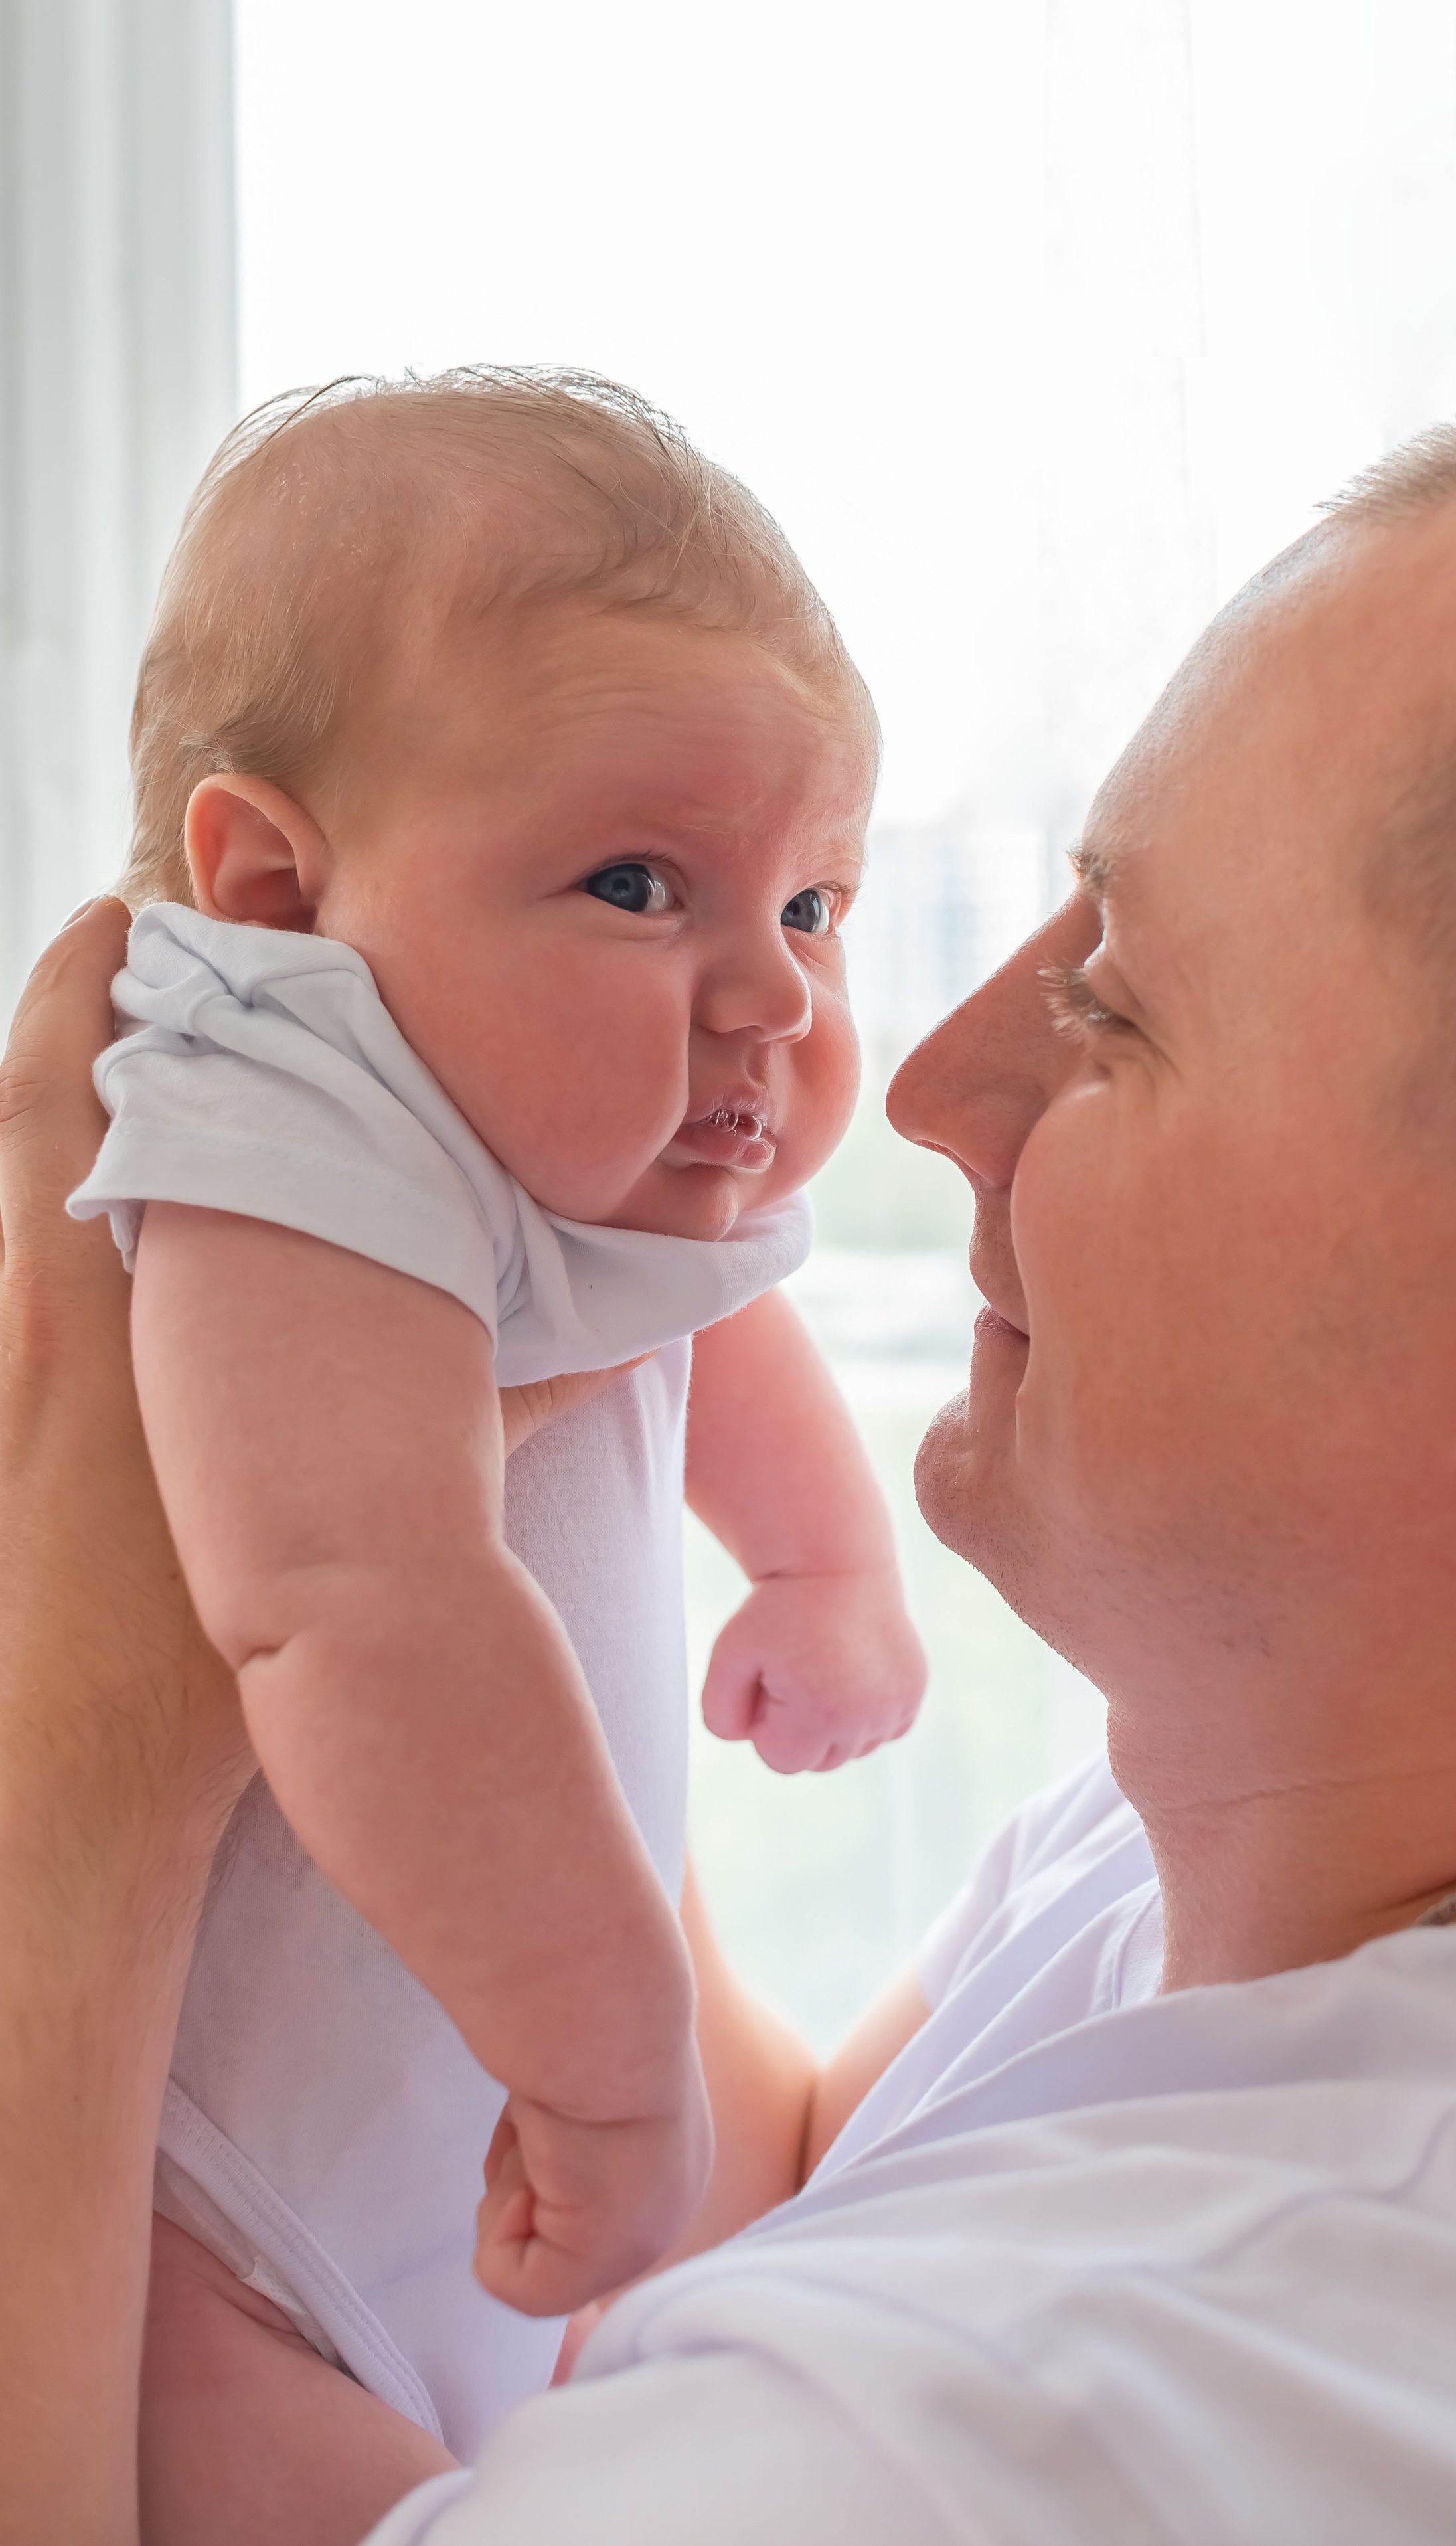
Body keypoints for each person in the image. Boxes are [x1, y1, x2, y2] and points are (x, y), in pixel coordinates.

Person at [8, 387, 1456, 2546]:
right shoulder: (1230, 1856)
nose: (908, 1085)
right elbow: (796, 2175)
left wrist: (66, 1776)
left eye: (1114, 1004)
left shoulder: (958, 2446)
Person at [62, 368, 925, 2537]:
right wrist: (616, 2066)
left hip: (501, 2136)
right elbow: (361, 1601)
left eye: (812, 906)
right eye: (645, 883)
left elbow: (713, 1324)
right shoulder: (271, 1112)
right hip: (222, 2243)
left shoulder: (577, 1156)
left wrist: (825, 1564)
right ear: (271, 884)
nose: (775, 999)